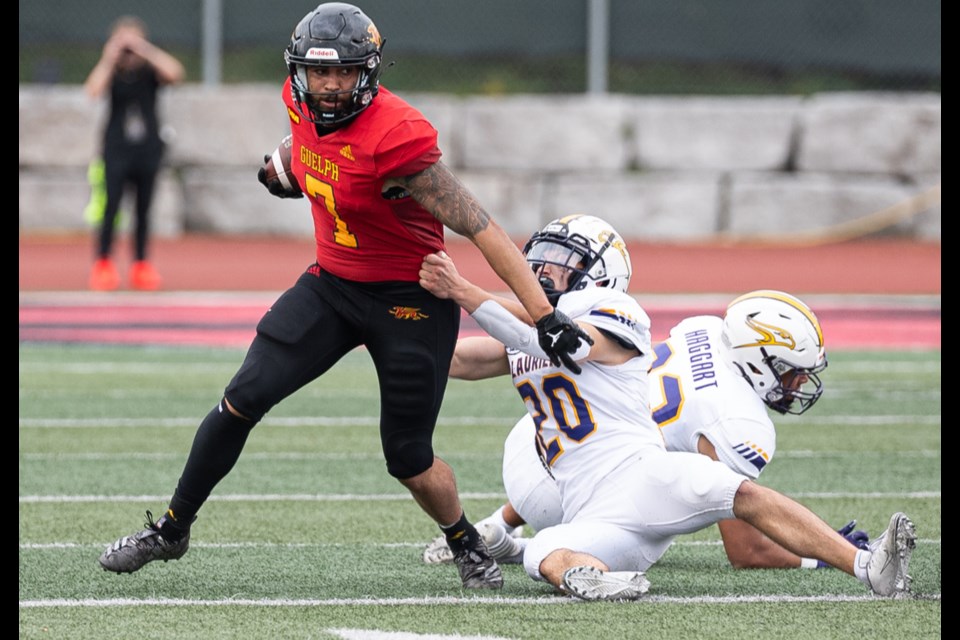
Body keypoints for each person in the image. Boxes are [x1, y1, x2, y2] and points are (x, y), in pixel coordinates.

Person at [97, 3, 590, 591]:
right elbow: (312, 150)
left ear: (369, 71)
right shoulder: (297, 99)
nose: (330, 86)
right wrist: (293, 171)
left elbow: (480, 226)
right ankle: (171, 530)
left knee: (407, 456)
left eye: (345, 73)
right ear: (300, 71)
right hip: (332, 286)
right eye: (318, 72)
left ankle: (466, 542)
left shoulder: (398, 136)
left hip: (410, 297)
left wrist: (544, 313)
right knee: (240, 398)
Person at [417, 213, 917, 600]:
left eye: (561, 260)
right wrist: (385, 339)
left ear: (599, 275)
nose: (542, 268)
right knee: (545, 555)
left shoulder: (619, 312)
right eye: (541, 256)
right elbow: (461, 358)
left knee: (735, 490)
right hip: (581, 499)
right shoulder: (525, 334)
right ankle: (590, 579)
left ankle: (868, 567)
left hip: (640, 472)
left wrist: (463, 291)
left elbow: (566, 341)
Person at [423, 292, 871, 570]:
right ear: (757, 361)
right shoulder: (737, 422)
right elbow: (748, 553)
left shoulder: (705, 331)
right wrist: (818, 555)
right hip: (569, 498)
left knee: (607, 429)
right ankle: (539, 547)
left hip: (531, 442)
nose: (796, 385)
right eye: (791, 373)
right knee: (656, 487)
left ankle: (495, 528)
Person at [83, 15, 185, 291]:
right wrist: (110, 57)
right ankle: (103, 262)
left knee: (144, 209)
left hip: (148, 149)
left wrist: (145, 50)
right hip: (116, 150)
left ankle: (141, 264)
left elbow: (176, 73)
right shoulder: (112, 72)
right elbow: (92, 90)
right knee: (111, 207)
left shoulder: (150, 71)